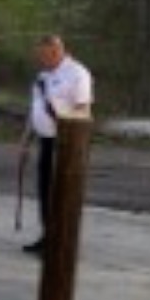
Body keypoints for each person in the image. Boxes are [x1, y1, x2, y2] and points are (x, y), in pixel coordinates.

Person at [21, 34, 93, 254]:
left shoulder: (77, 73)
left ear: (55, 51)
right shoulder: (43, 76)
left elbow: (83, 109)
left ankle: (61, 240)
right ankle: (47, 235)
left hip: (66, 142)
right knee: (45, 191)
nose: (40, 60)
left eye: (43, 55)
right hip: (45, 140)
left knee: (61, 193)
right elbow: (36, 109)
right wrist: (25, 140)